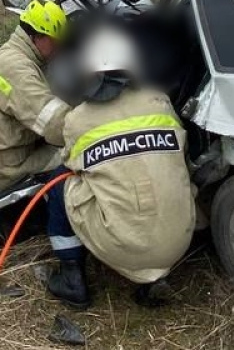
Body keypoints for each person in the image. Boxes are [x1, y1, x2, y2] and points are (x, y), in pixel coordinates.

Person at [44, 24, 196, 309]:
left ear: (89, 73)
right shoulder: (159, 102)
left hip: (126, 246)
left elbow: (74, 167)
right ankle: (152, 281)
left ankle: (71, 277)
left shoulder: (78, 120)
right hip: (180, 241)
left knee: (60, 180)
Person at [0, 0, 72, 201]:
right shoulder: (17, 69)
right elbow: (57, 126)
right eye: (55, 40)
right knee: (79, 151)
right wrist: (93, 125)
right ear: (37, 36)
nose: (59, 47)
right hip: (3, 179)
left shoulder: (10, 54)